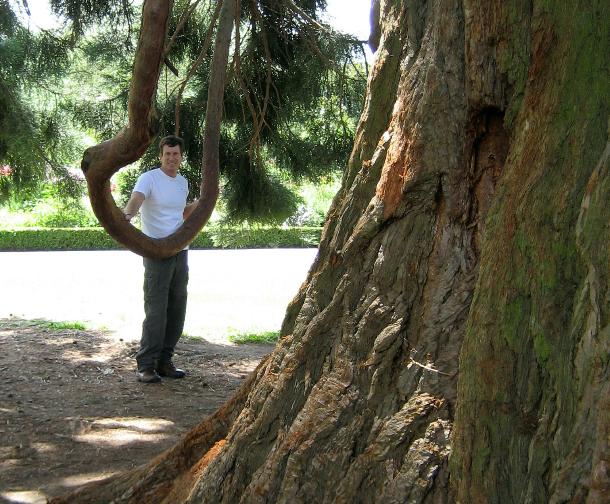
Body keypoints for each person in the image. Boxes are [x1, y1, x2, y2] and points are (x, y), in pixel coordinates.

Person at [123, 135, 198, 383]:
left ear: (181, 157)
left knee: (177, 309)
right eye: (167, 154)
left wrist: (201, 203)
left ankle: (165, 361)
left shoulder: (182, 182)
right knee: (156, 311)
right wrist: (127, 215)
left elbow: (182, 213)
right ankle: (146, 365)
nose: (171, 158)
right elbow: (136, 200)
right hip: (156, 252)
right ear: (160, 156)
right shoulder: (149, 178)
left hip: (181, 251)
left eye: (176, 154)